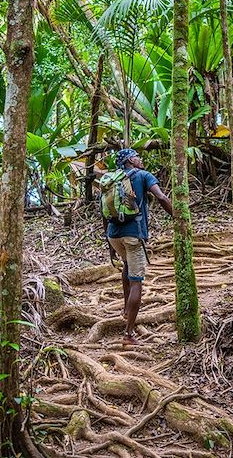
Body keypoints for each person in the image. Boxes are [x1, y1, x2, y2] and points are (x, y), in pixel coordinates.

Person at [103, 148, 172, 345]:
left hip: (113, 236)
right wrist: (178, 217)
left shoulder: (111, 179)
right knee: (137, 282)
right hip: (133, 236)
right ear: (131, 160)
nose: (141, 159)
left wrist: (109, 245)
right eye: (137, 157)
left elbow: (105, 211)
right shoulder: (143, 175)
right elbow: (161, 197)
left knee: (126, 265)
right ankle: (129, 334)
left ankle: (126, 309)